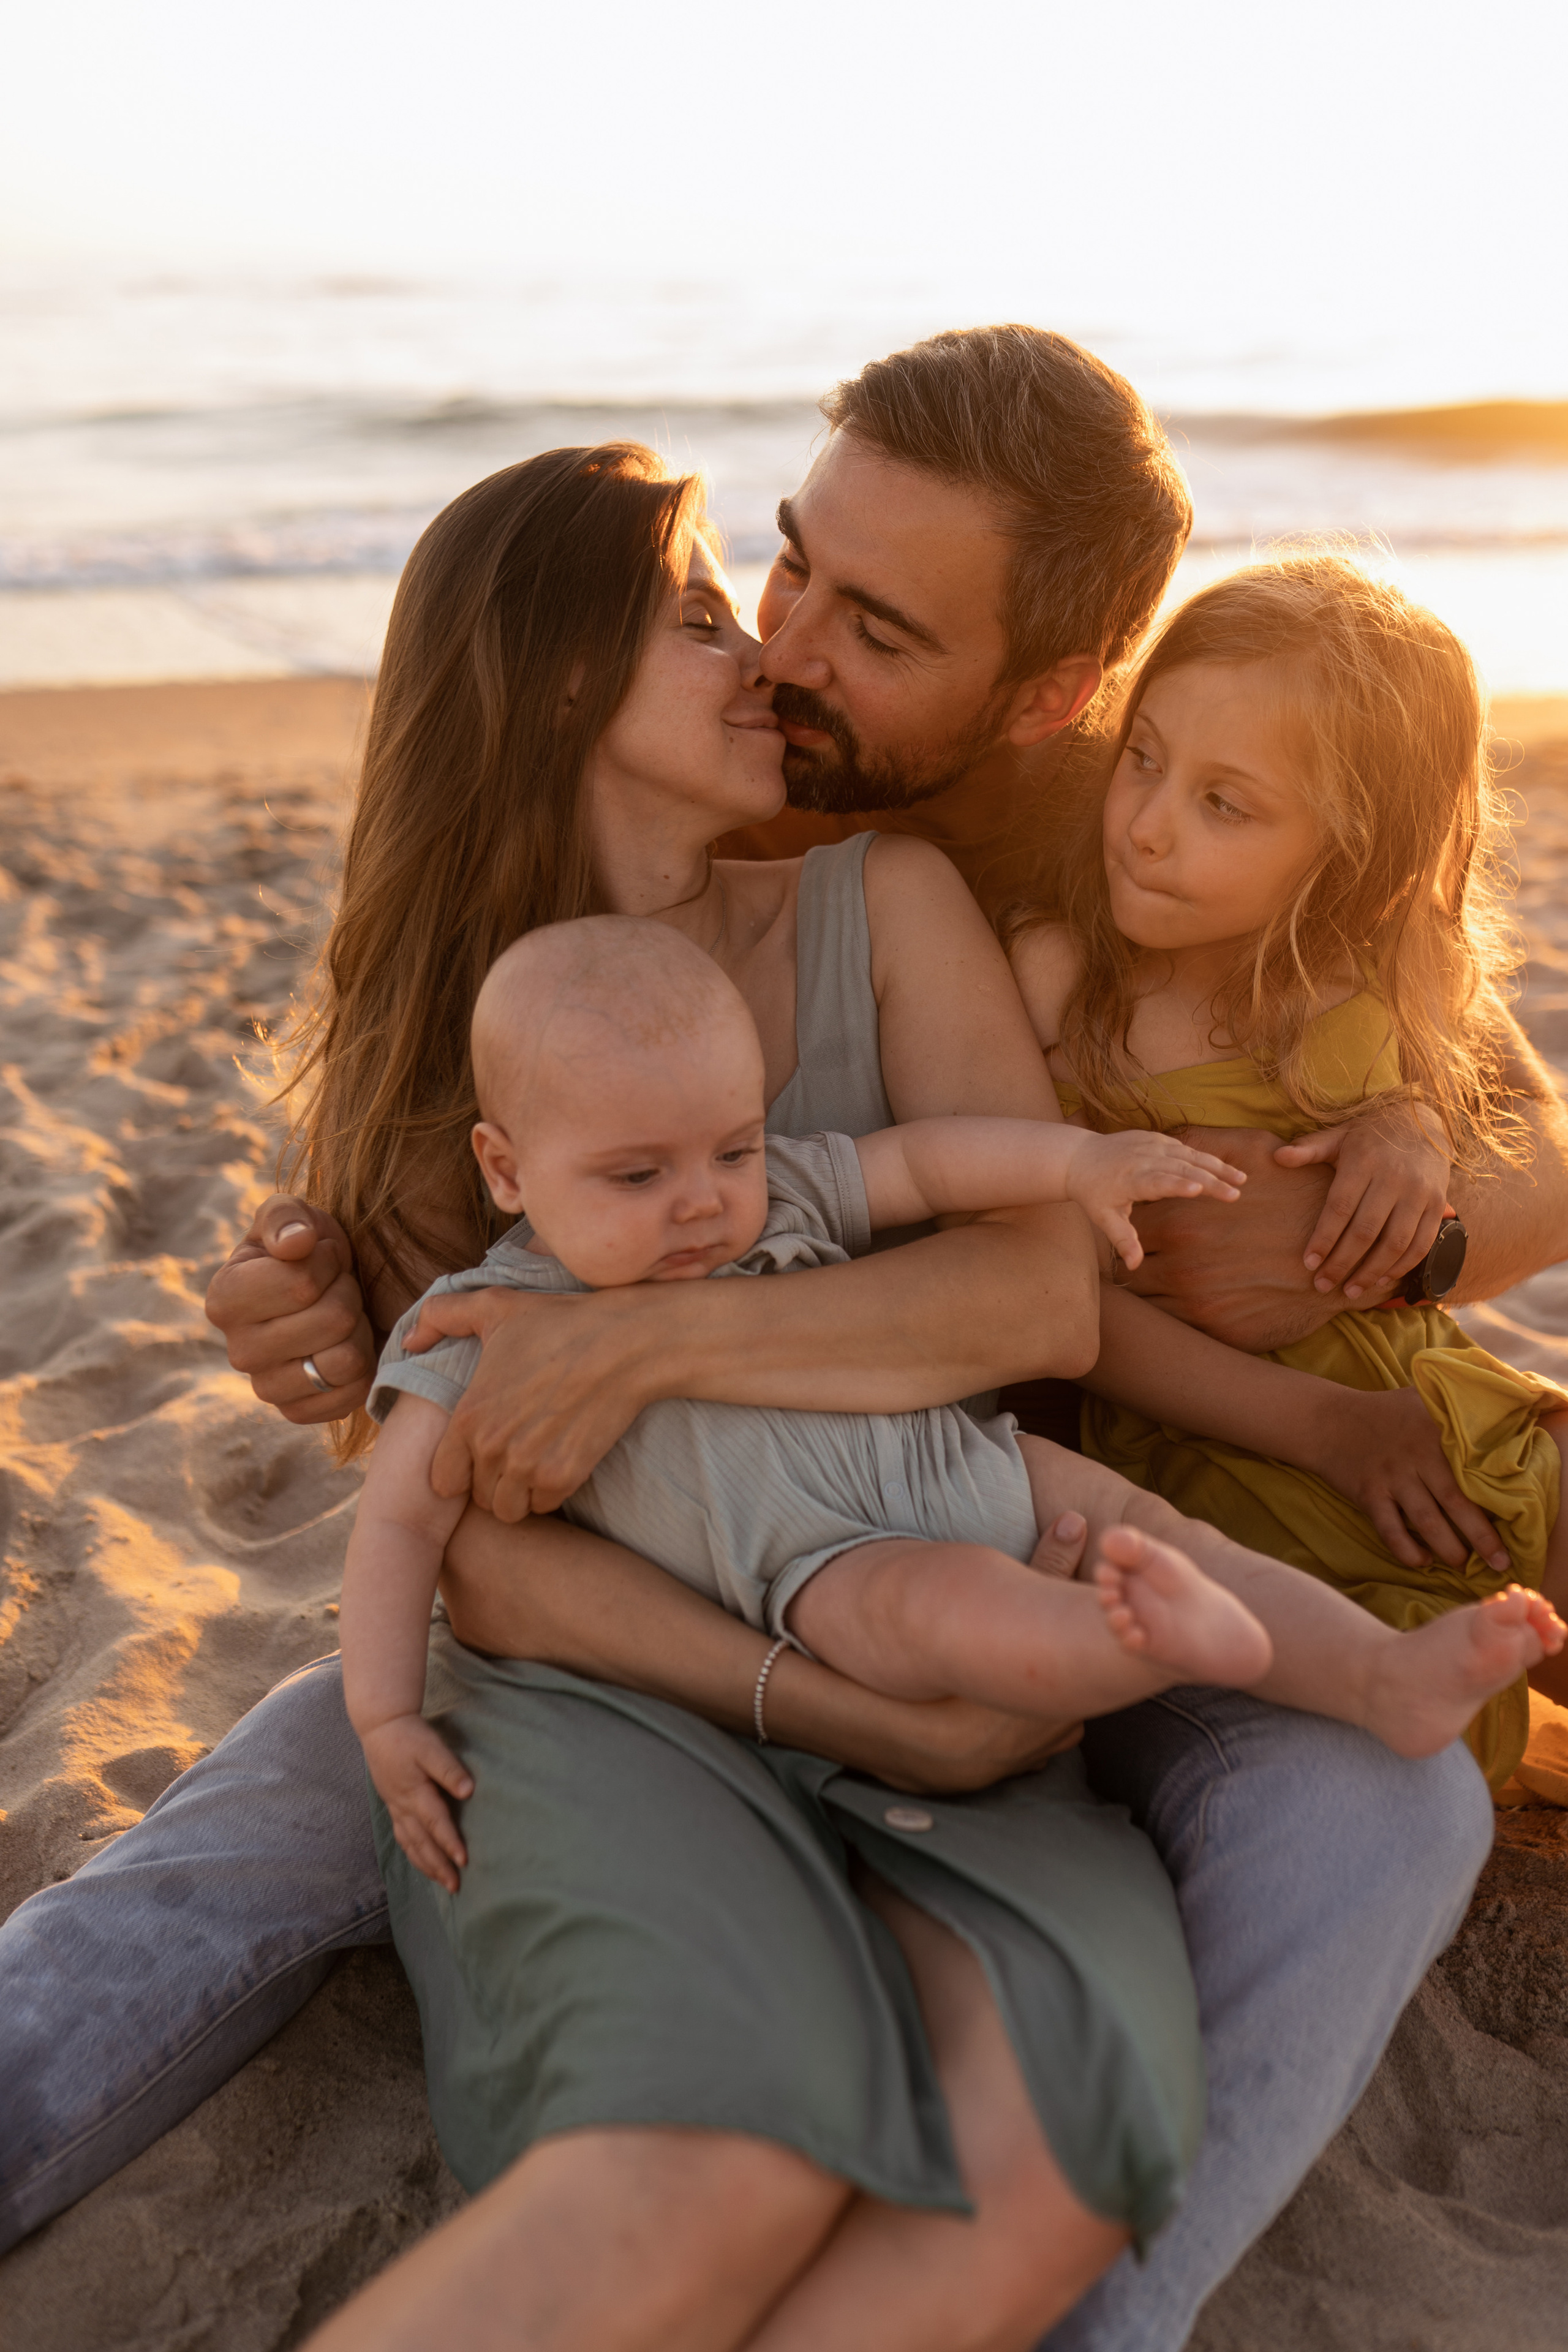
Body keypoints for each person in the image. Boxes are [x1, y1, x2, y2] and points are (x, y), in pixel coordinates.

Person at [0, 330, 1502, 2349]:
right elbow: (458, 1475)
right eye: (769, 573)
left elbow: (1461, 1091)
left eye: (864, 623)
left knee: (1388, 1811)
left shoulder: (1114, 823)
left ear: (1051, 695)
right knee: (219, 1864)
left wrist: (1400, 1208)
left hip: (997, 1551)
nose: (781, 650)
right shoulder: (566, 942)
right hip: (633, 1618)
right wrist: (349, 1321)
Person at [347, 913, 1557, 1907]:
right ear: (506, 1169)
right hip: (825, 1565)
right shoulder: (480, 1325)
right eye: (636, 1176)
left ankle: (1375, 1674)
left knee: (1158, 1527)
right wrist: (386, 1714)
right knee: (945, 1609)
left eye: (732, 1149)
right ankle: (1131, 1645)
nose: (702, 1204)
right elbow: (401, 1529)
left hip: (966, 1460)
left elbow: (925, 1165)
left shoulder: (779, 1202)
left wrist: (1073, 1167)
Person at [1008, 554, 1568, 1791]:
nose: (1145, 823)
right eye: (1142, 759)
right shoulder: (1066, 991)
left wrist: (1410, 1128)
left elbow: (1506, 1125)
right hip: (1240, 1451)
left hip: (1438, 1399)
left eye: (1226, 804)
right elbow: (1061, 1308)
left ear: (1348, 855)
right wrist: (1325, 1429)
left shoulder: (1370, 970)